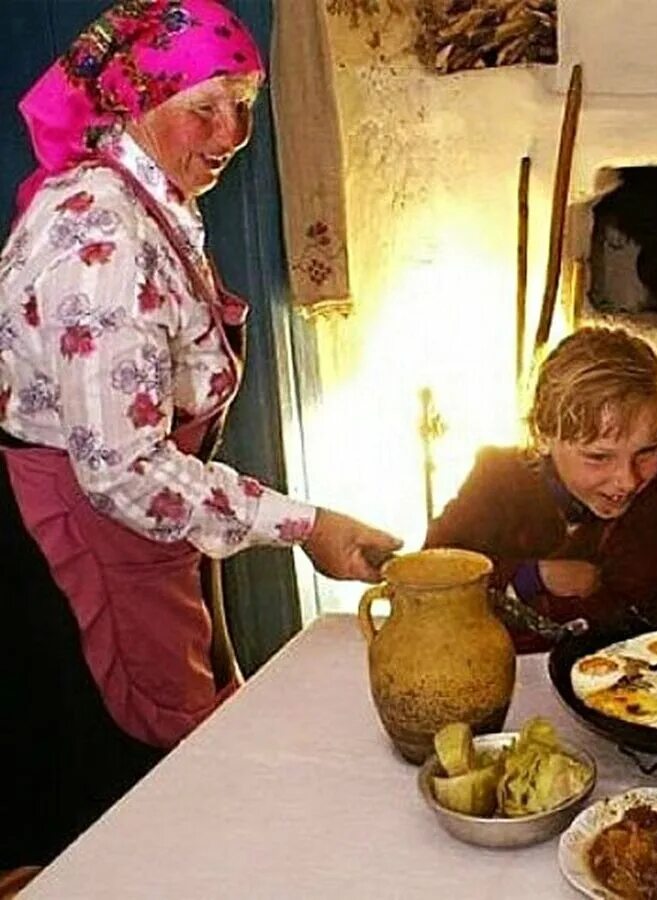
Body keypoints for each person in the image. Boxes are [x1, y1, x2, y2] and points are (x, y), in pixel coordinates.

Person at [0, 0, 399, 868]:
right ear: (135, 99)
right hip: (92, 535)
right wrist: (307, 525)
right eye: (205, 106)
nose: (232, 132)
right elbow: (125, 470)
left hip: (140, 528)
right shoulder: (101, 236)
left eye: (246, 104)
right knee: (136, 800)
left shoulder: (147, 196)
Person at [425, 326, 657, 652]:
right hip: (504, 673)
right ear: (543, 435)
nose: (627, 480)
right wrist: (531, 576)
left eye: (646, 452)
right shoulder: (498, 479)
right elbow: (428, 578)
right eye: (598, 456)